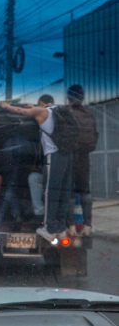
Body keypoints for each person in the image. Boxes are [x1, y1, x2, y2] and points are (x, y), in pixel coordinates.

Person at [0, 95, 73, 242]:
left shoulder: (42, 112)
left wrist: (6, 107)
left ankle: (49, 228)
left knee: (50, 192)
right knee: (63, 192)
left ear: (41, 103)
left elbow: (22, 112)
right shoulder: (60, 112)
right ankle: (61, 227)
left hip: (54, 155)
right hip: (68, 155)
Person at [65, 85, 98, 237]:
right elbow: (95, 136)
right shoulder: (90, 113)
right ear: (82, 96)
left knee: (70, 193)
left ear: (68, 97)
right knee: (85, 192)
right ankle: (88, 225)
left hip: (70, 157)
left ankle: (71, 225)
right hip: (84, 157)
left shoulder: (64, 112)